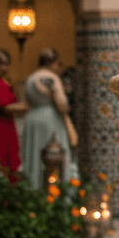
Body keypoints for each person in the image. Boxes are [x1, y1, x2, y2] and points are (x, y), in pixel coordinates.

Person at [22, 48, 74, 189]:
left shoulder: (31, 78)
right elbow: (62, 104)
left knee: (33, 155)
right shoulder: (51, 78)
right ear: (53, 62)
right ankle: (53, 191)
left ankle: (32, 188)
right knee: (54, 155)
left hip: (32, 118)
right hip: (49, 119)